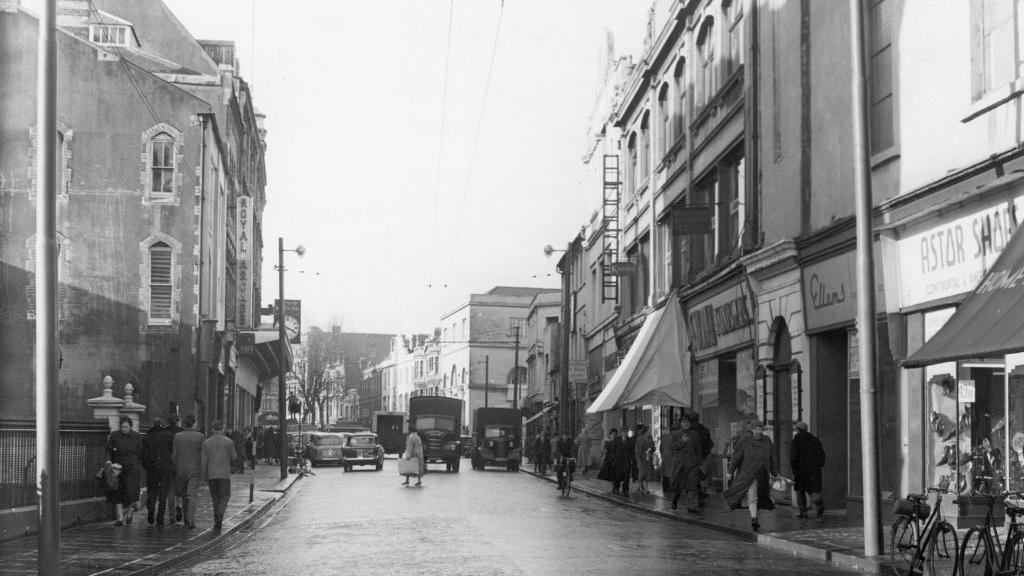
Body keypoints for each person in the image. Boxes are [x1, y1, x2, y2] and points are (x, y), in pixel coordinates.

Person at [722, 421, 778, 531]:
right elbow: (736, 457)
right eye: (756, 429)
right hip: (749, 473)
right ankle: (754, 518)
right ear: (751, 430)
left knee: (762, 495)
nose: (758, 431)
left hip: (763, 474)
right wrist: (730, 471)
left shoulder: (767, 441)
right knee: (752, 495)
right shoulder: (745, 440)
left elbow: (772, 458)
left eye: (760, 429)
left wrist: (775, 473)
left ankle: (755, 515)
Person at [201, 420, 238, 531]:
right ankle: (219, 515)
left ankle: (217, 519)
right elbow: (234, 457)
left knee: (215, 498)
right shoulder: (229, 442)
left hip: (212, 474)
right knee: (225, 496)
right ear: (222, 429)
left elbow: (204, 462)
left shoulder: (206, 443)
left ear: (212, 429)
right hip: (224, 475)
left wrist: (203, 477)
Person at [106, 416, 143, 526]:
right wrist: (109, 461)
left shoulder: (136, 436)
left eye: (126, 427)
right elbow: (109, 450)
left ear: (130, 427)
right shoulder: (114, 436)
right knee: (117, 492)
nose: (124, 429)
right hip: (118, 468)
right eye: (122, 427)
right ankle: (120, 517)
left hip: (132, 468)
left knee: (131, 492)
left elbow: (140, 452)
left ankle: (129, 513)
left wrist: (137, 464)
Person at [172, 414, 204, 530]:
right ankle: (190, 520)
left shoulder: (177, 436)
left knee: (184, 495)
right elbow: (203, 454)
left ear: (184, 423)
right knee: (192, 496)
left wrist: (177, 466)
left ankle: (186, 518)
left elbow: (174, 455)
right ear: (194, 423)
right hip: (195, 470)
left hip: (181, 470)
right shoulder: (200, 437)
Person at [141, 417, 175, 525]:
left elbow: (142, 454)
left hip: (152, 468)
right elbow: (172, 452)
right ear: (162, 425)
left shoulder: (146, 438)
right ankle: (160, 518)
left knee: (152, 491)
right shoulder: (169, 436)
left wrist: (146, 466)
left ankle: (151, 510)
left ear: (152, 425)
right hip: (165, 468)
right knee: (163, 493)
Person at [791, 421, 826, 519]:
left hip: (800, 470)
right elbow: (822, 455)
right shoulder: (815, 440)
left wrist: (794, 470)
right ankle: (818, 502)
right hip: (814, 470)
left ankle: (803, 512)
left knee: (800, 491)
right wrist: (818, 466)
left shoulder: (796, 441)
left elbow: (793, 457)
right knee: (812, 490)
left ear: (798, 430)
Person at [668, 416, 703, 513]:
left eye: (687, 422)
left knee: (692, 485)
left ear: (690, 423)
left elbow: (698, 449)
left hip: (692, 464)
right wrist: (682, 441)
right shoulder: (676, 434)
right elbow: (672, 446)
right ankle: (675, 498)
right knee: (678, 485)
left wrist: (700, 463)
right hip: (680, 464)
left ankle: (691, 506)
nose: (685, 424)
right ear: (681, 423)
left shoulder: (695, 435)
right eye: (683, 422)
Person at [688, 412, 714, 503]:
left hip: (692, 457)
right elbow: (709, 443)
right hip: (704, 456)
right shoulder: (705, 430)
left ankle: (696, 494)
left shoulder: (688, 431)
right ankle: (703, 492)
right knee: (702, 475)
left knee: (692, 477)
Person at [165, 414, 184, 524]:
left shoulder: (165, 432)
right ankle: (180, 505)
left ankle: (171, 515)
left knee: (170, 490)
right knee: (180, 488)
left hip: (168, 464)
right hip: (180, 464)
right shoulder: (181, 432)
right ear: (178, 422)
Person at [635, 425, 657, 494]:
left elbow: (653, 447)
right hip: (642, 458)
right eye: (649, 430)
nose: (650, 431)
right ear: (645, 431)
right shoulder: (640, 438)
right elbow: (638, 450)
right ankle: (640, 487)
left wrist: (651, 450)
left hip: (649, 458)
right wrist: (638, 459)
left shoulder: (650, 438)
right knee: (641, 473)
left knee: (648, 473)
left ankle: (646, 488)